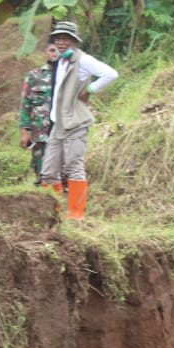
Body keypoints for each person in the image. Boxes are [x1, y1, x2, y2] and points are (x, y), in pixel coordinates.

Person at [40, 21, 118, 220]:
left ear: (74, 41)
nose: (61, 42)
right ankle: (54, 215)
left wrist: (90, 90)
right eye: (58, 38)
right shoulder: (61, 61)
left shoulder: (83, 60)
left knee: (74, 167)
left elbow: (111, 74)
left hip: (75, 122)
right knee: (49, 171)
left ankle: (76, 215)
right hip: (59, 123)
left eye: (66, 39)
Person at [18, 43, 58, 184]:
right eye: (52, 50)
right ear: (46, 52)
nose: (55, 53)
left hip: (62, 132)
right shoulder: (34, 76)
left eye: (58, 50)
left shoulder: (68, 75)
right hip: (40, 133)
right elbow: (25, 104)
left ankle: (63, 203)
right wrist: (24, 131)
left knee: (63, 172)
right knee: (41, 173)